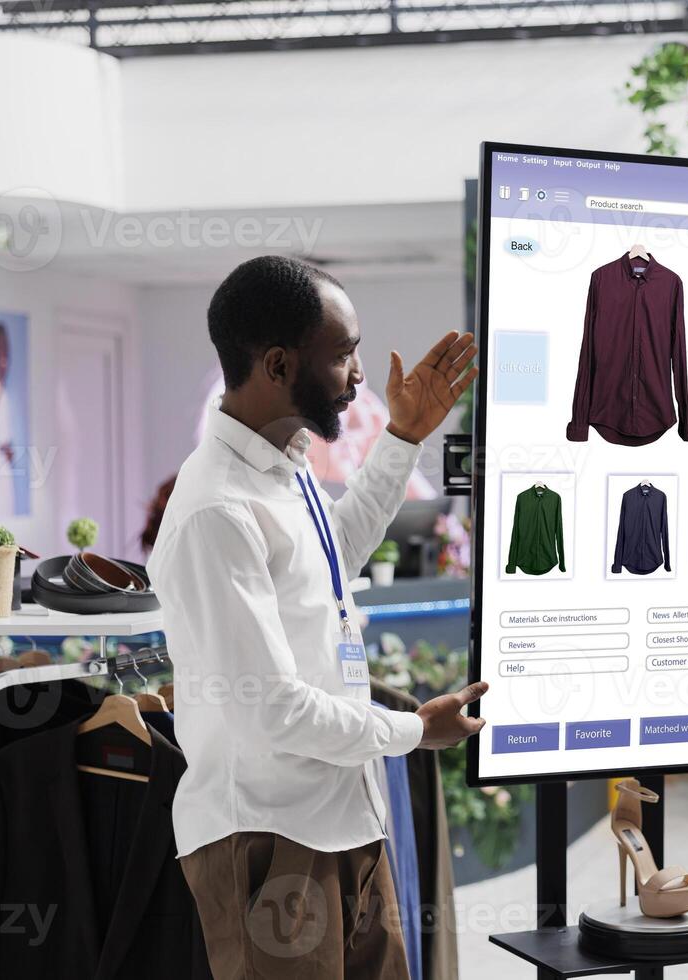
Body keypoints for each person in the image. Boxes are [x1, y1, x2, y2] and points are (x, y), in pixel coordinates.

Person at [148, 255, 486, 979]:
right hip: (267, 840)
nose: (360, 374)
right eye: (342, 355)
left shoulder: (288, 461)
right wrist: (413, 732)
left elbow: (337, 558)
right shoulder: (216, 510)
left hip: (345, 817)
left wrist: (404, 438)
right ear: (277, 363)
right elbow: (270, 710)